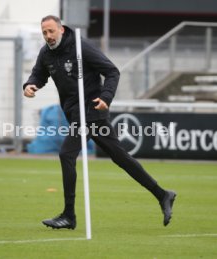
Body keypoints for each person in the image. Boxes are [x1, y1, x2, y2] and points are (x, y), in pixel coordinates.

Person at [23, 15, 176, 230]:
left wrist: (106, 97)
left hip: (91, 111)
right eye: (44, 33)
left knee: (66, 154)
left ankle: (69, 216)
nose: (48, 36)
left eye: (51, 31)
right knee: (120, 157)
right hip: (75, 113)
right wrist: (30, 85)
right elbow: (39, 74)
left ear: (61, 30)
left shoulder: (80, 46)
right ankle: (163, 194)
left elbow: (112, 71)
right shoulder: (46, 53)